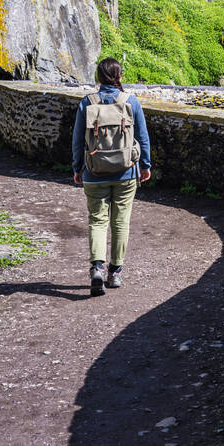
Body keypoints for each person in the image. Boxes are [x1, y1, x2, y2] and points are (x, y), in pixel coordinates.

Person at [72, 58, 151, 296]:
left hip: (94, 171)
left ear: (98, 76)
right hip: (126, 171)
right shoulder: (131, 101)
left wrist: (78, 168)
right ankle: (115, 273)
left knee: (97, 220)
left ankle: (97, 267)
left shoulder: (87, 103)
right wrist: (145, 165)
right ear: (119, 75)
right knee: (120, 221)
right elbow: (143, 138)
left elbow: (77, 141)